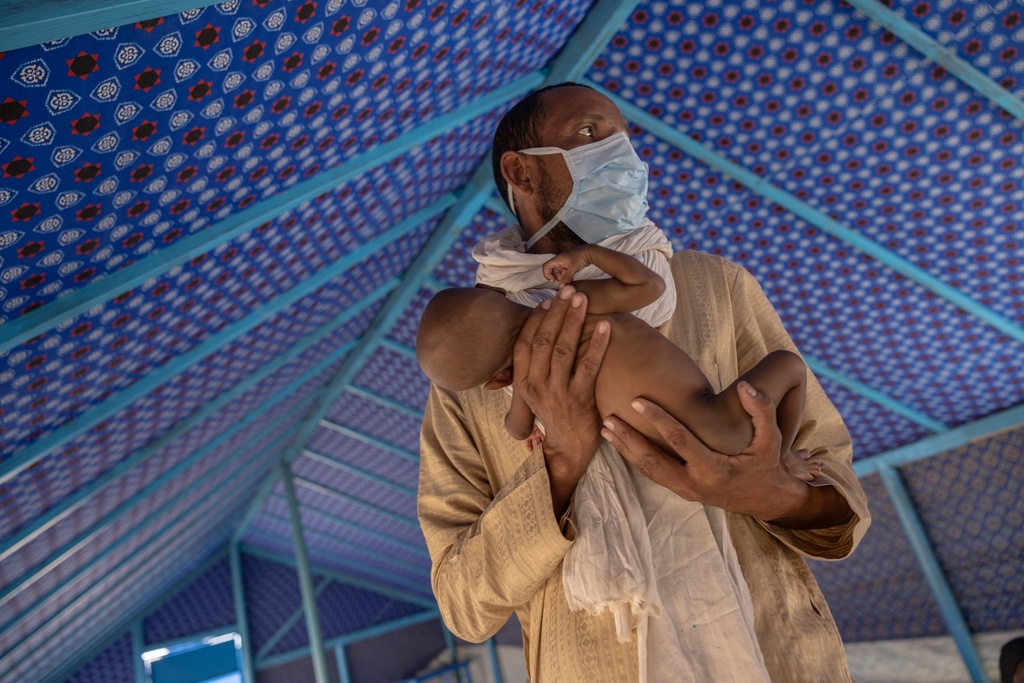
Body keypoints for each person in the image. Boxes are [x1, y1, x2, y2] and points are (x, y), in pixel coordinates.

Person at [417, 82, 871, 682]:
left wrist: (770, 491)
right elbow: (462, 605)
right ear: (520, 173)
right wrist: (560, 464)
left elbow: (841, 501)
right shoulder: (466, 368)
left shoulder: (717, 286)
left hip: (773, 657)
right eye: (589, 134)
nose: (623, 155)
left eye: (624, 137)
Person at [416, 243, 817, 482]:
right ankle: (780, 455)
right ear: (504, 296)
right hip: (724, 425)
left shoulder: (532, 380)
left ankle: (777, 458)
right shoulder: (575, 305)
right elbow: (651, 285)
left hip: (682, 461)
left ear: (496, 380)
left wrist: (525, 419)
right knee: (789, 365)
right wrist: (588, 254)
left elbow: (516, 427)